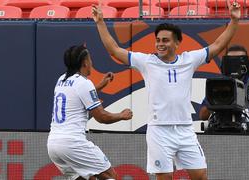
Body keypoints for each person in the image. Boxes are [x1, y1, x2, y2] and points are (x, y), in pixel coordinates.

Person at [92, 0, 241, 179]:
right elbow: (115, 50)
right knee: (165, 178)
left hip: (185, 129)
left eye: (165, 40)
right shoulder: (147, 62)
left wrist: (234, 21)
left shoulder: (190, 59)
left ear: (177, 43)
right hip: (159, 132)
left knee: (201, 176)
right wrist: (100, 22)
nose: (160, 44)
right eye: (158, 40)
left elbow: (217, 45)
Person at [47, 44, 133, 180]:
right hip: (72, 143)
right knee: (110, 175)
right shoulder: (83, 83)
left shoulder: (61, 79)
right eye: (90, 59)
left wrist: (100, 86)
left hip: (53, 145)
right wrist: (121, 115)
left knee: (87, 178)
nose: (91, 63)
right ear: (85, 62)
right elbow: (101, 117)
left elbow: (78, 96)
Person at [199, 44, 249, 133]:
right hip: (220, 133)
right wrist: (216, 99)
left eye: (239, 61)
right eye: (231, 61)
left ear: (247, 64)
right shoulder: (217, 83)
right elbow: (202, 115)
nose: (235, 65)